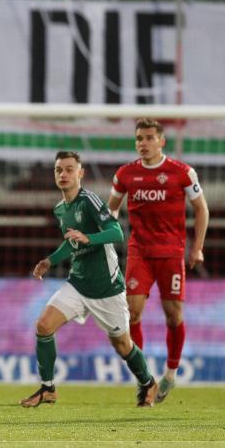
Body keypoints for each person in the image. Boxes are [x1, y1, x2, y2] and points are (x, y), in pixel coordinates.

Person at [21, 151, 157, 408]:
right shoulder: (61, 209)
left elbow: (116, 232)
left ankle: (148, 382)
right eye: (59, 170)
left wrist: (89, 238)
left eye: (69, 169)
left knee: (123, 345)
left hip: (106, 287)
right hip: (78, 283)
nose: (63, 174)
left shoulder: (90, 201)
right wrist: (50, 261)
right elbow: (72, 243)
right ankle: (48, 388)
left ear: (80, 173)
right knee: (43, 326)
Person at [108, 119, 209, 404]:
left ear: (161, 141)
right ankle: (145, 380)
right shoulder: (126, 174)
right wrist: (103, 240)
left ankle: (170, 374)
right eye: (139, 138)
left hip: (171, 254)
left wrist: (197, 248)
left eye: (149, 138)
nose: (143, 143)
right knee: (132, 313)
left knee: (174, 316)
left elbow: (202, 210)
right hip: (139, 252)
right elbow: (110, 212)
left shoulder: (182, 173)